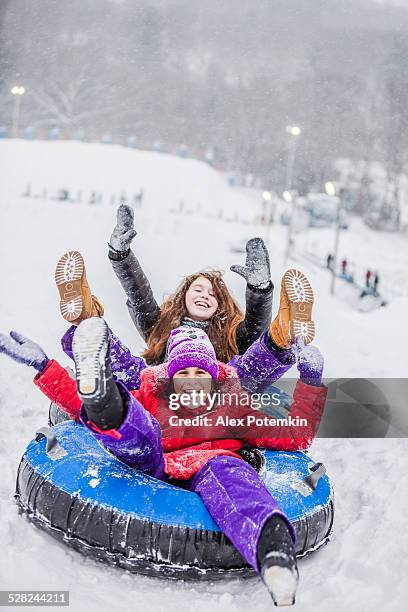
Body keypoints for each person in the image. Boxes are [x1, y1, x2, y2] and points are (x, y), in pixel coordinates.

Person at [0, 316, 326, 607]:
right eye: (183, 373)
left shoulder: (234, 409)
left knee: (236, 476)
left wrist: (310, 381)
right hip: (156, 462)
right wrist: (44, 367)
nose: (193, 380)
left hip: (213, 465)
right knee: (139, 431)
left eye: (201, 373)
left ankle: (275, 558)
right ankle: (103, 397)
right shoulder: (153, 395)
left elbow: (294, 435)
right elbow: (72, 402)